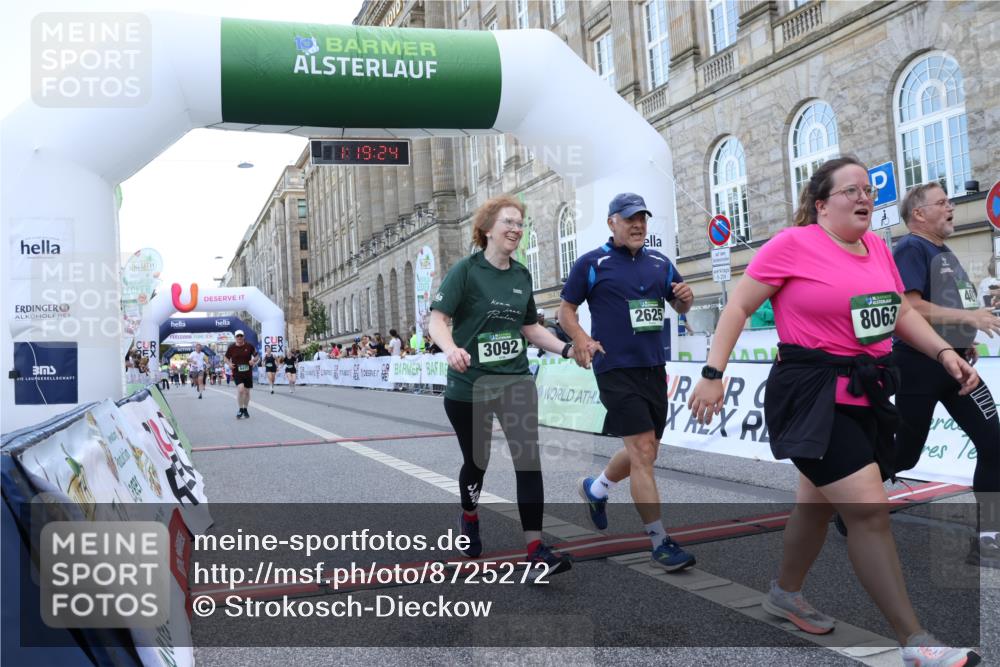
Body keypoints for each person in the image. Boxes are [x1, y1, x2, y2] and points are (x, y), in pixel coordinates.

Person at [686, 157, 980, 665]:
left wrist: (944, 352)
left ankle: (784, 592)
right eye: (851, 191)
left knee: (815, 507)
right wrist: (713, 375)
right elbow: (736, 306)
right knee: (868, 510)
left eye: (868, 189)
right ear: (822, 204)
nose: (864, 197)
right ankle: (915, 641)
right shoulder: (792, 244)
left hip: (866, 393)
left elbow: (901, 310)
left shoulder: (876, 250)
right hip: (809, 395)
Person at [429, 194, 577, 580]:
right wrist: (451, 349)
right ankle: (470, 514)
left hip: (514, 380)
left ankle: (535, 548)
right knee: (476, 464)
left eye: (520, 223)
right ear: (487, 229)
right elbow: (438, 320)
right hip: (470, 384)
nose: (516, 229)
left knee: (528, 462)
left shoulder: (521, 275)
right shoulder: (466, 271)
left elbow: (528, 328)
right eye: (509, 222)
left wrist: (565, 348)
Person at [560, 192, 697, 573]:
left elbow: (681, 304)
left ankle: (596, 488)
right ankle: (659, 541)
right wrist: (581, 339)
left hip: (652, 368)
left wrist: (685, 298)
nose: (638, 225)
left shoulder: (660, 262)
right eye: (629, 218)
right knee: (641, 451)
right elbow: (566, 310)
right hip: (614, 369)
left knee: (647, 450)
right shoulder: (592, 263)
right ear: (612, 223)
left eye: (642, 218)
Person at [892, 182, 1000, 568]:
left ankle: (988, 540)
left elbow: (949, 304)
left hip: (957, 365)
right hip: (918, 365)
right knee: (904, 454)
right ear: (919, 214)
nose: (951, 207)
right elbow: (910, 304)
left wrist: (963, 335)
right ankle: (851, 505)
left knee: (994, 442)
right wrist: (967, 318)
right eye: (942, 202)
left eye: (950, 202)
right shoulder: (910, 247)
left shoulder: (944, 250)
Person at [225, 330, 259, 419]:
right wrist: (229, 364)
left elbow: (257, 356)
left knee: (247, 392)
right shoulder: (231, 347)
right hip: (237, 372)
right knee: (240, 390)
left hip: (247, 372)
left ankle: (245, 409)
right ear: (235, 337)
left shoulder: (249, 346)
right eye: (237, 336)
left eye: (241, 336)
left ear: (243, 337)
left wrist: (253, 360)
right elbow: (225, 357)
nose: (239, 337)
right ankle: (240, 409)